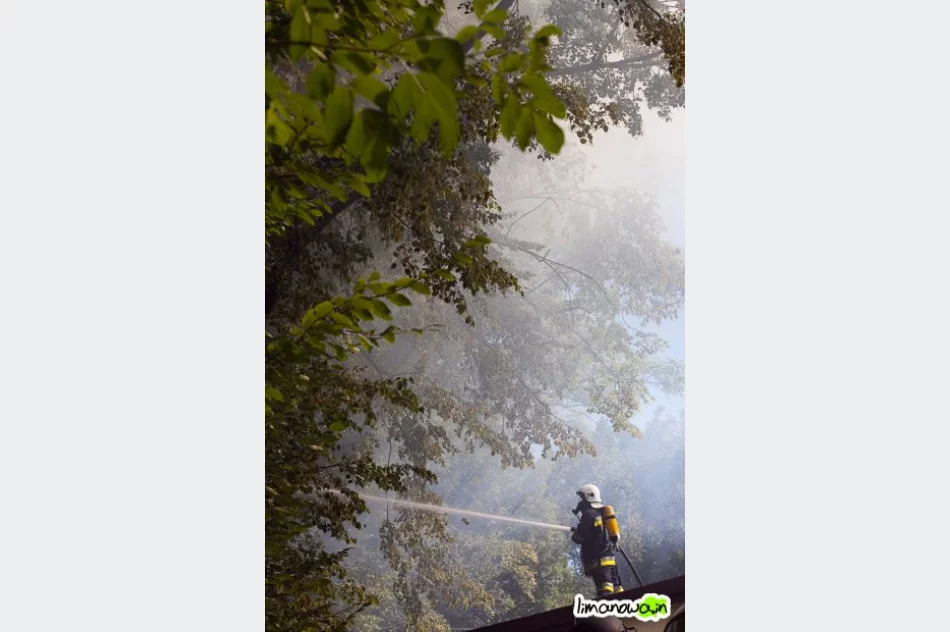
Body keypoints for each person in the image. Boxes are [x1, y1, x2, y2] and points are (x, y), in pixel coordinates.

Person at [571, 484, 624, 597]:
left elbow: (578, 538)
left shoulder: (588, 515)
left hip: (598, 560)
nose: (580, 501)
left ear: (588, 497)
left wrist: (576, 533)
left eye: (582, 498)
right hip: (609, 559)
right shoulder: (602, 513)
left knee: (605, 589)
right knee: (617, 587)